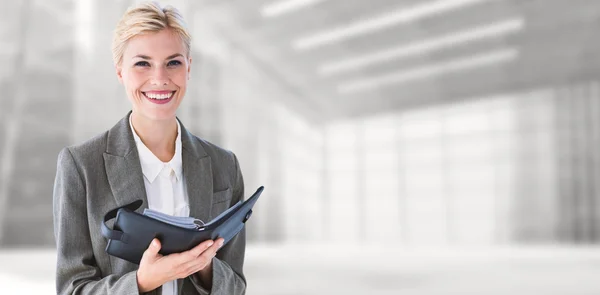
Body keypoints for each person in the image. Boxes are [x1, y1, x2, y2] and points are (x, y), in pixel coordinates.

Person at [52, 2, 247, 294]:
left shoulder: (224, 166)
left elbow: (236, 286)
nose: (160, 78)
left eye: (173, 62)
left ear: (189, 68)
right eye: (142, 63)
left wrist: (203, 266)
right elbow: (71, 288)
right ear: (120, 71)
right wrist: (143, 282)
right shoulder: (80, 166)